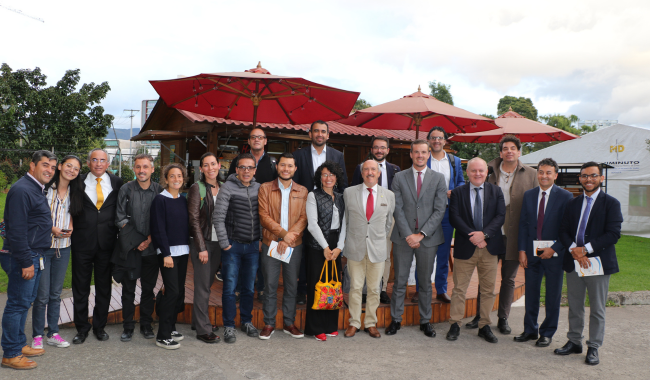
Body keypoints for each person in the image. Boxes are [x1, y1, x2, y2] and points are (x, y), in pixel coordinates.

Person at [555, 162, 622, 366]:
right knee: (574, 305)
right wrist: (575, 249)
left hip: (598, 262)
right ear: (580, 179)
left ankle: (593, 346)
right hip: (575, 261)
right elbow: (563, 230)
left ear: (601, 178)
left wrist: (586, 250)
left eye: (593, 176)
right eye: (584, 176)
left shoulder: (611, 203)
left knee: (597, 308)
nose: (588, 179)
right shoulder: (572, 203)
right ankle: (574, 341)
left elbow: (613, 234)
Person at [468, 135, 537, 332]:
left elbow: (533, 208)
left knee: (509, 279)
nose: (509, 151)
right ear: (500, 152)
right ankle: (480, 316)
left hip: (515, 235)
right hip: (490, 233)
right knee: (486, 277)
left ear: (519, 151)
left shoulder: (531, 174)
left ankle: (503, 318)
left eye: (513, 148)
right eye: (505, 148)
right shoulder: (488, 172)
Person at [1, 151, 57, 370]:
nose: (49, 171)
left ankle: (18, 344)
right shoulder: (23, 190)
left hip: (35, 254)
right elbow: (15, 230)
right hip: (24, 256)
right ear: (32, 165)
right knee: (16, 304)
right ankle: (11, 354)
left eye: (53, 167)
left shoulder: (34, 188)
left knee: (24, 302)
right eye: (45, 165)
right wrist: (25, 261)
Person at [386, 140, 446, 338]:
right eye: (416, 152)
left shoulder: (438, 178)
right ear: (411, 154)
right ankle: (396, 320)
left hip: (428, 239)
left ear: (429, 154)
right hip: (403, 238)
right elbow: (397, 208)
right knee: (400, 281)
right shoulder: (399, 177)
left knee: (425, 283)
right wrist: (408, 234)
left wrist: (421, 234)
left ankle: (425, 321)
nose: (420, 155)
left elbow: (439, 210)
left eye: (423, 152)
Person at [446, 158, 506, 344]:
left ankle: (484, 325)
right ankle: (455, 323)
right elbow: (454, 217)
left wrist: (484, 235)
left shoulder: (496, 191)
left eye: (481, 170)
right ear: (467, 172)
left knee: (488, 290)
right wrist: (473, 235)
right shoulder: (457, 193)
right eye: (473, 171)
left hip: (489, 247)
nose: (477, 174)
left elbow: (500, 216)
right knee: (459, 289)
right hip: (466, 246)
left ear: (486, 172)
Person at [515, 158, 573, 347]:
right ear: (537, 173)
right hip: (532, 253)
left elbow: (567, 229)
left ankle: (547, 332)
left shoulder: (565, 197)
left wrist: (554, 248)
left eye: (548, 172)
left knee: (552, 295)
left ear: (555, 175)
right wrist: (522, 250)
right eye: (541, 172)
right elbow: (523, 224)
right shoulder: (529, 195)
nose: (544, 176)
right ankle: (530, 330)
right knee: (531, 293)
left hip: (555, 254)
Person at [71, 148, 123, 344]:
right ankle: (82, 328)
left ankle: (99, 327)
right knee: (80, 288)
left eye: (102, 160)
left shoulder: (117, 182)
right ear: (88, 163)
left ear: (108, 164)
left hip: (107, 244)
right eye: (95, 160)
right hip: (82, 243)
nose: (99, 163)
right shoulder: (77, 182)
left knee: (104, 288)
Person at [293, 120, 348, 305]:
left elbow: (342, 183)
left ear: (328, 135)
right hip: (302, 207)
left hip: (329, 210)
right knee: (304, 251)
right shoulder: (298, 155)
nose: (319, 134)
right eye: (316, 131)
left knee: (326, 254)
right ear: (310, 134)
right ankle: (302, 290)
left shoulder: (337, 155)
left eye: (323, 131)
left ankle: (328, 294)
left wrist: (338, 206)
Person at [31, 155, 83, 351]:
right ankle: (37, 335)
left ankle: (53, 333)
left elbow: (75, 215)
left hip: (64, 248)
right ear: (60, 166)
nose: (71, 170)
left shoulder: (75, 192)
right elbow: (34, 216)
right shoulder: (44, 190)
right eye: (68, 166)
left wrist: (70, 227)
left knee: (55, 294)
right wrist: (52, 229)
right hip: (44, 248)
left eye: (76, 169)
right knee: (42, 295)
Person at [258, 152, 308, 340]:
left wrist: (288, 239)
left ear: (295, 169)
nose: (286, 169)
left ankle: (289, 323)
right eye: (283, 165)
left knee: (291, 287)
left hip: (294, 245)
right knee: (270, 286)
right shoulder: (264, 189)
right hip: (271, 243)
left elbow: (304, 218)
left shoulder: (303, 191)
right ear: (277, 167)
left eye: (290, 166)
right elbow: (264, 216)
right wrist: (282, 236)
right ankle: (269, 323)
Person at [113, 153, 162, 342]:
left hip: (151, 250)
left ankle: (146, 324)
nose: (142, 170)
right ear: (134, 169)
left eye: (145, 167)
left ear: (152, 169)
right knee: (128, 290)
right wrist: (137, 241)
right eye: (138, 167)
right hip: (131, 249)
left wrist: (148, 240)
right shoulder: (126, 189)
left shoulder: (159, 191)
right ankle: (128, 326)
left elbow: (161, 221)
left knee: (148, 290)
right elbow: (120, 218)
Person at [213, 153, 261, 344]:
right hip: (233, 246)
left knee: (249, 288)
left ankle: (247, 321)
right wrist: (225, 243)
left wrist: (261, 240)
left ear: (255, 170)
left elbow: (264, 216)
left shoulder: (260, 188)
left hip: (252, 247)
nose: (246, 171)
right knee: (230, 288)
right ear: (236, 169)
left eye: (250, 167)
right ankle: (229, 326)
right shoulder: (227, 187)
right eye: (243, 167)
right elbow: (218, 218)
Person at [344, 160, 395, 339]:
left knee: (374, 289)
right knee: (356, 288)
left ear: (379, 173)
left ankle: (371, 323)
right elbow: (346, 220)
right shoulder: (349, 193)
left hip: (378, 249)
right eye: (366, 169)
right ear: (362, 172)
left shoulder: (389, 195)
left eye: (373, 169)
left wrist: (379, 239)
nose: (370, 172)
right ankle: (354, 323)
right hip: (355, 247)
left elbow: (389, 223)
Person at [227, 127, 277, 300]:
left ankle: (261, 289)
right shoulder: (238, 161)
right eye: (253, 137)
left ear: (265, 141)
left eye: (260, 137)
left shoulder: (272, 163)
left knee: (263, 254)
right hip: (241, 214)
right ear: (248, 141)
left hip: (264, 215)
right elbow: (230, 183)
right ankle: (240, 289)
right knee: (242, 254)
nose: (257, 139)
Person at [350, 136, 401, 304]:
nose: (379, 150)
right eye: (376, 147)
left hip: (386, 218)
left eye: (383, 147)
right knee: (364, 252)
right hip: (365, 216)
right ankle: (365, 289)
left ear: (387, 150)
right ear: (371, 150)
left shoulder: (395, 169)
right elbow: (354, 190)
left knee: (384, 255)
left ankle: (382, 288)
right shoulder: (361, 168)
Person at [304, 161, 346, 341]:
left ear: (336, 177)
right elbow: (312, 225)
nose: (328, 178)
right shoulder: (313, 195)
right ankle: (315, 328)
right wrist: (325, 247)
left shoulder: (341, 196)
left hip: (336, 243)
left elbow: (346, 223)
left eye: (331, 175)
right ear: (319, 178)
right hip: (318, 244)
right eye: (324, 175)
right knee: (317, 284)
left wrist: (339, 247)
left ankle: (330, 325)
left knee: (334, 284)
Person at [150, 163, 190, 350]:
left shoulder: (183, 199)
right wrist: (166, 253)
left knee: (179, 291)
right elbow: (158, 229)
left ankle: (171, 326)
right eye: (172, 176)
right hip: (168, 254)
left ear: (183, 179)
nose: (176, 179)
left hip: (183, 252)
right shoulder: (160, 200)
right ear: (166, 179)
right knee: (172, 291)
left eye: (179, 176)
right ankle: (163, 336)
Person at [424, 126, 464, 303]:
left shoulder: (454, 161)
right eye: (433, 138)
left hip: (447, 213)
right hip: (427, 213)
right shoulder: (423, 159)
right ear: (429, 141)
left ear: (445, 141)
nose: (436, 141)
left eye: (440, 138)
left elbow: (462, 183)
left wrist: (453, 192)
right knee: (424, 253)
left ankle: (441, 289)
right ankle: (421, 288)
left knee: (443, 252)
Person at [188, 152, 222, 343]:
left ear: (219, 165)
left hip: (218, 243)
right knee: (202, 287)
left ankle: (197, 321)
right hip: (203, 243)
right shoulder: (197, 188)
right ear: (201, 169)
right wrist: (201, 247)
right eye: (206, 165)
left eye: (213, 164)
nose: (210, 168)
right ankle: (203, 330)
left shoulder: (223, 187)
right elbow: (193, 220)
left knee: (207, 285)